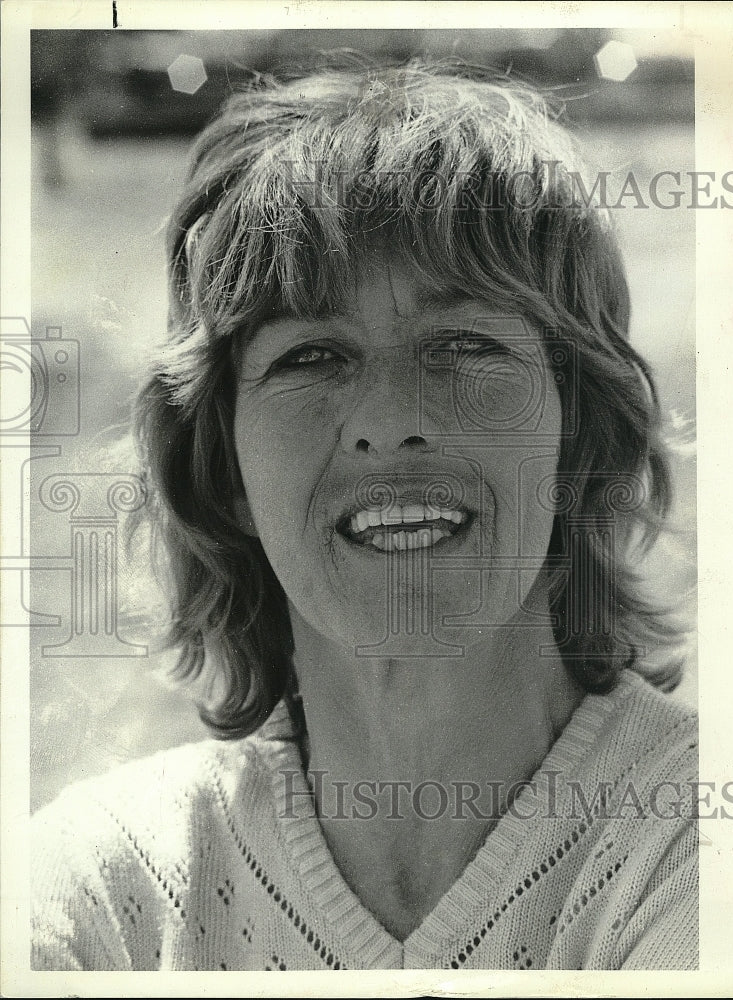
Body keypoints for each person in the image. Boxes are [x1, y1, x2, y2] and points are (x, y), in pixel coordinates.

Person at [31, 61, 697, 971]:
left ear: (578, 437)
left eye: (461, 344)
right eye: (311, 357)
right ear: (224, 468)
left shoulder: (708, 850)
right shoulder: (100, 893)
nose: (389, 425)